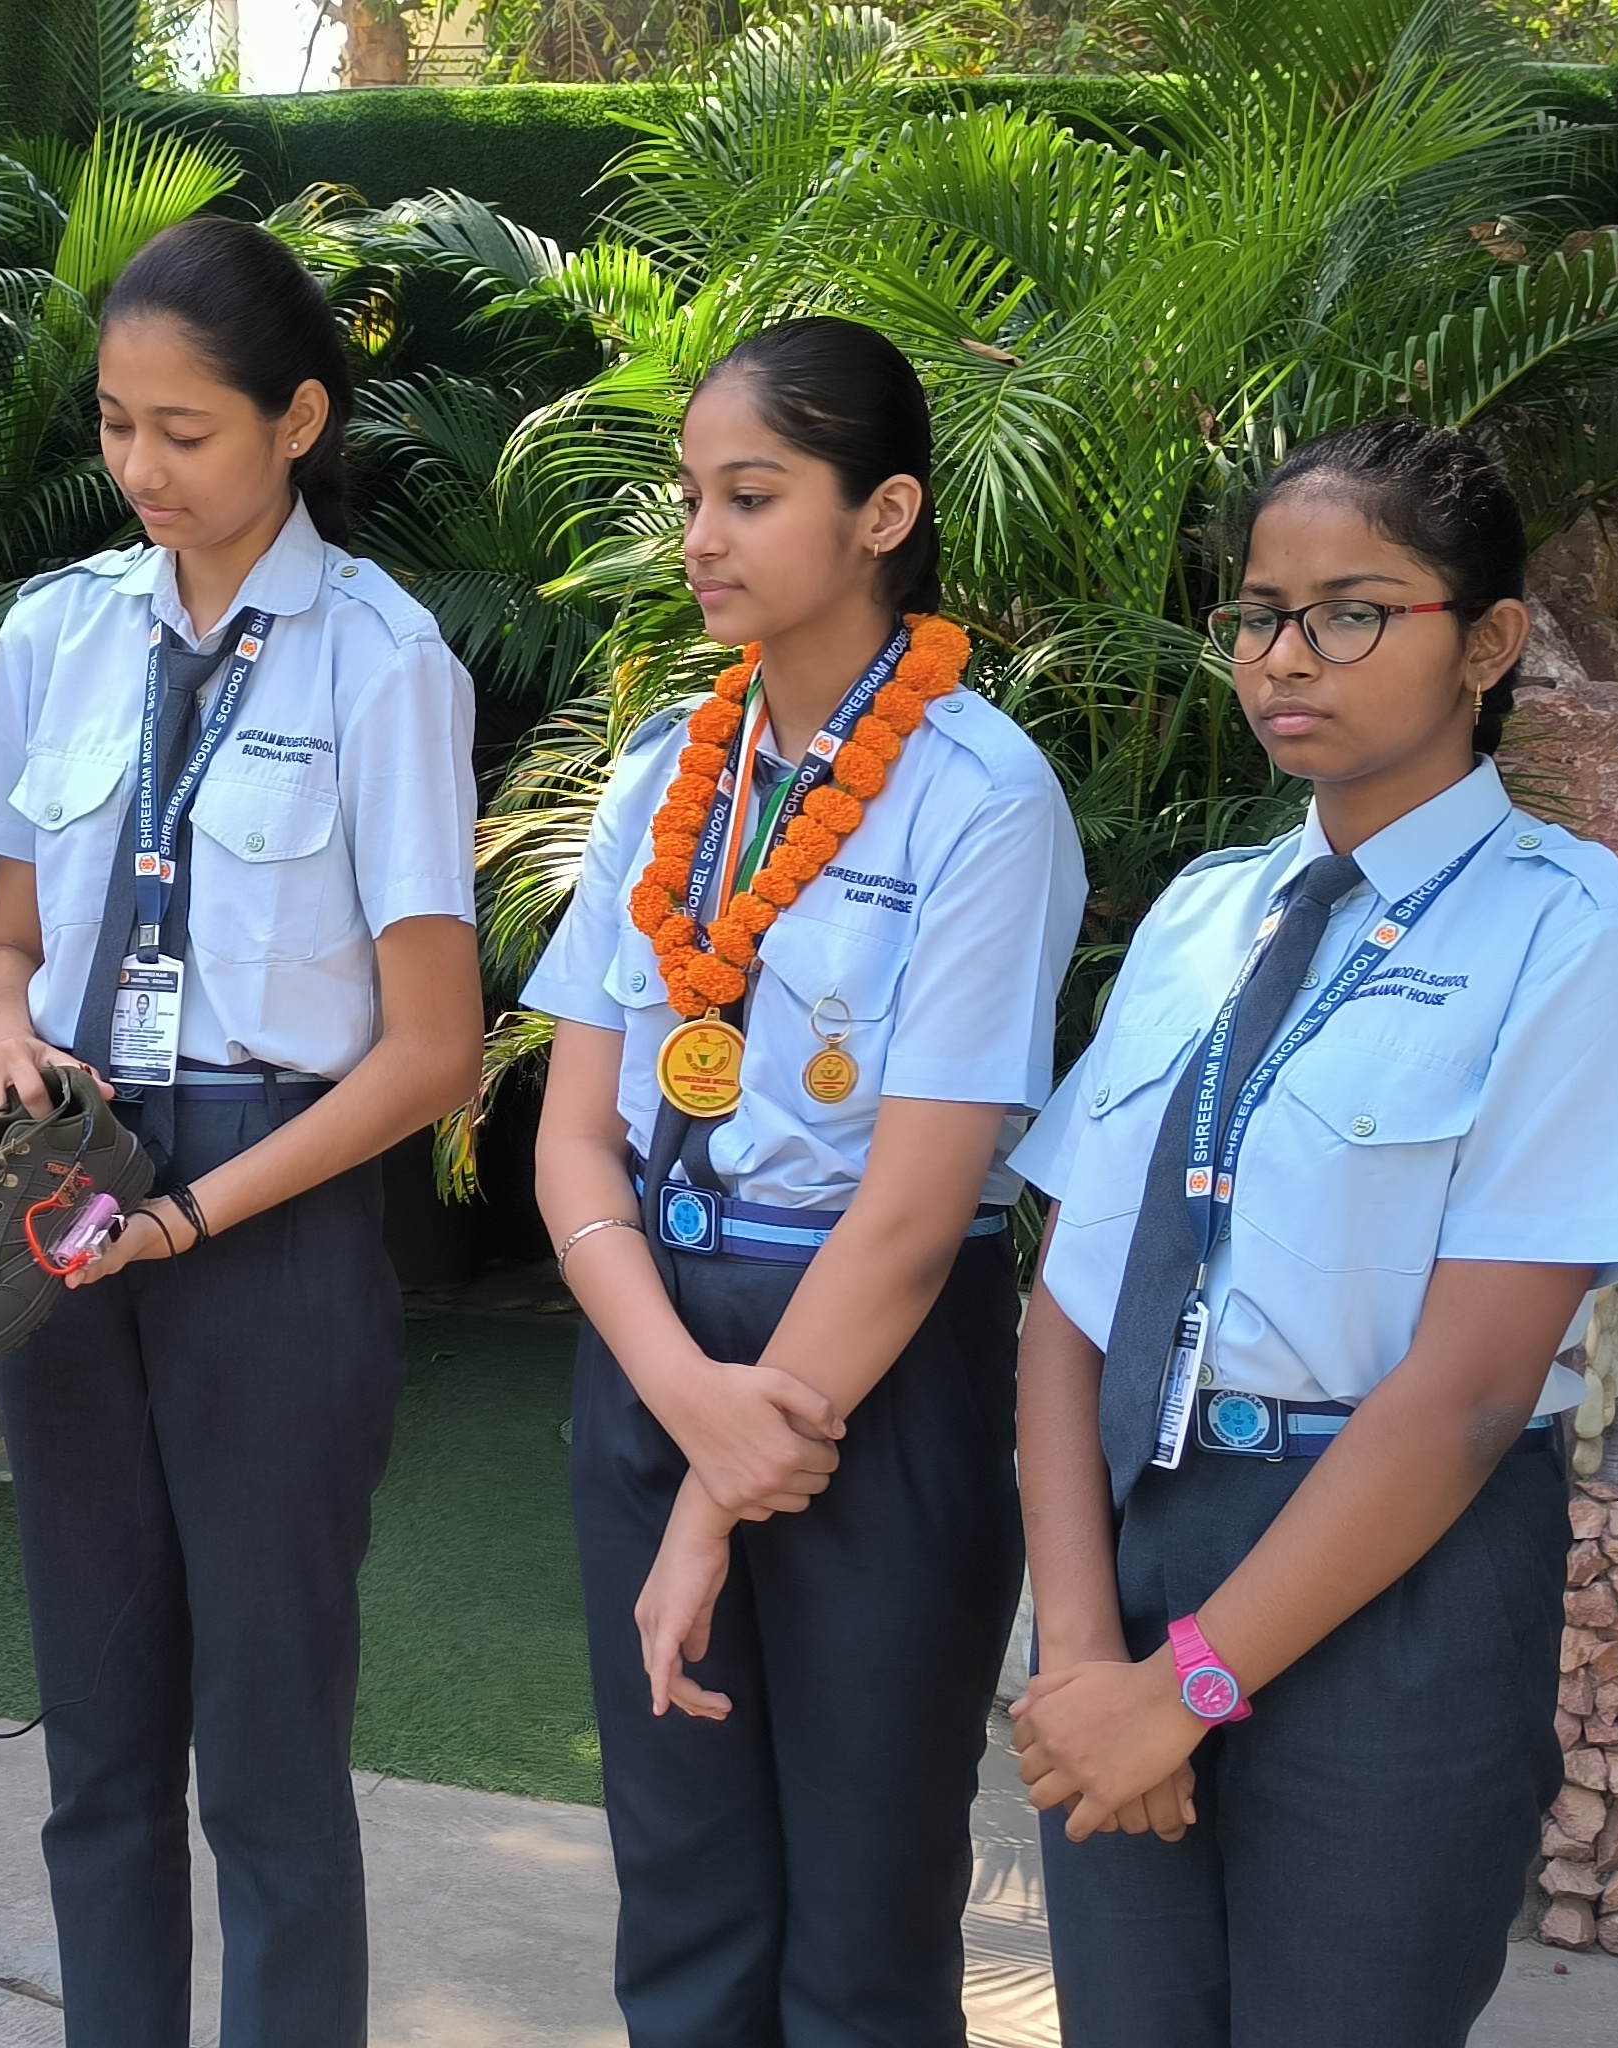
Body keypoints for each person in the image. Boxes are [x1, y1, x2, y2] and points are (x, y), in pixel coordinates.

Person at [1008, 416, 1618, 2048]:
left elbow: (1468, 1396)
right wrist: (1088, 1654)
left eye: (1353, 609)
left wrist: (1185, 1690)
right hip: (1146, 1544)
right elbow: (1069, 1307)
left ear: (1494, 643)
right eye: (1260, 612)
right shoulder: (1200, 917)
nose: (1285, 655)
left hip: (1399, 1590)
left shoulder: (1575, 940)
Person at [0, 214, 484, 2048]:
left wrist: (194, 1219)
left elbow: (429, 1055)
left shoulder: (385, 662)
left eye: (187, 430)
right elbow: (7, 948)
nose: (143, 469)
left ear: (300, 421)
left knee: (264, 1754)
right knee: (94, 1744)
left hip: (276, 1220)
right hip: (69, 1195)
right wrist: (0, 1035)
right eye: (114, 426)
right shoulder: (53, 633)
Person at [519, 314, 1084, 2045]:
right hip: (662, 1342)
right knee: (681, 1895)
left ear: (886, 510)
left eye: (752, 494)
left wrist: (720, 1480)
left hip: (869, 1379)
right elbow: (571, 1139)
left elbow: (918, 1217)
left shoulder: (983, 798)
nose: (701, 534)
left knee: (859, 1927)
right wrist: (679, 1398)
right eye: (693, 494)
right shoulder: (661, 779)